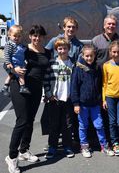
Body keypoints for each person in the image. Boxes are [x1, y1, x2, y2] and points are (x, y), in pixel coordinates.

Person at [5, 25, 51, 173]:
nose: (37, 38)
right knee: (22, 120)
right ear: (30, 36)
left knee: (30, 120)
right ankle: (12, 157)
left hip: (37, 89)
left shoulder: (47, 52)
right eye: (34, 36)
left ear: (43, 37)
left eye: (39, 36)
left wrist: (48, 91)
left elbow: (47, 74)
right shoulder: (23, 49)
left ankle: (24, 150)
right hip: (19, 86)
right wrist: (13, 70)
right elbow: (8, 63)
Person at [70, 45, 114, 158]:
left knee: (99, 125)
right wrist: (76, 103)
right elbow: (74, 87)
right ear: (83, 56)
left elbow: (100, 85)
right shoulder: (78, 68)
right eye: (87, 56)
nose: (89, 58)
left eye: (91, 56)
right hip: (82, 104)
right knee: (83, 126)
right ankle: (84, 146)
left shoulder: (97, 68)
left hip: (95, 104)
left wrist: (101, 99)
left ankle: (104, 145)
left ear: (95, 56)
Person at [43, 38, 75, 159]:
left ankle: (67, 146)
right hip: (54, 100)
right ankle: (52, 147)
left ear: (68, 49)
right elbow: (46, 80)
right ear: (56, 50)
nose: (62, 51)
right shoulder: (52, 63)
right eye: (60, 48)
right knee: (54, 125)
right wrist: (49, 94)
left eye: (65, 48)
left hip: (68, 99)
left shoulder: (73, 63)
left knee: (67, 125)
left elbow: (75, 81)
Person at [2, 25, 30, 95]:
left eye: (19, 36)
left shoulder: (20, 44)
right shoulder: (10, 44)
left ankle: (5, 87)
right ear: (9, 35)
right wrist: (8, 63)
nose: (17, 38)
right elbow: (6, 53)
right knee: (20, 74)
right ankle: (22, 87)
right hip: (12, 63)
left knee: (12, 75)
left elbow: (22, 52)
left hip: (19, 63)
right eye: (15, 36)